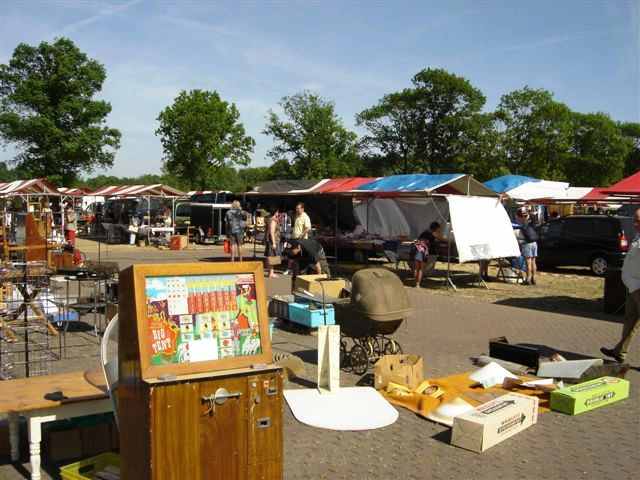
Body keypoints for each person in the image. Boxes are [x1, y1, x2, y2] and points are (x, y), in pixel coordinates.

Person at [601, 209, 640, 363]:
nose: (635, 224)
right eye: (635, 220)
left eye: (638, 221)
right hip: (633, 285)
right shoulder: (638, 236)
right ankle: (620, 352)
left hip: (638, 286)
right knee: (630, 320)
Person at [414, 222, 442, 288]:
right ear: (436, 228)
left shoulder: (424, 233)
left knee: (416, 268)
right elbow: (441, 240)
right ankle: (418, 284)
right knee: (421, 269)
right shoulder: (433, 235)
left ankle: (415, 283)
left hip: (418, 251)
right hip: (424, 252)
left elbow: (418, 240)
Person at [516, 207, 538, 285]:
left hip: (527, 243)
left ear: (520, 216)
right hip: (534, 243)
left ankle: (528, 279)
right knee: (533, 262)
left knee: (528, 262)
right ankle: (534, 278)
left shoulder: (522, 223)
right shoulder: (531, 221)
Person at [264, 205, 283, 278]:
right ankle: (271, 273)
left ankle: (270, 272)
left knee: (270, 256)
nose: (278, 213)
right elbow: (272, 232)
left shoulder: (269, 219)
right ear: (275, 212)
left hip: (270, 240)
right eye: (277, 212)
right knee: (272, 257)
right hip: (273, 240)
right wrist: (274, 243)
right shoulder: (273, 220)